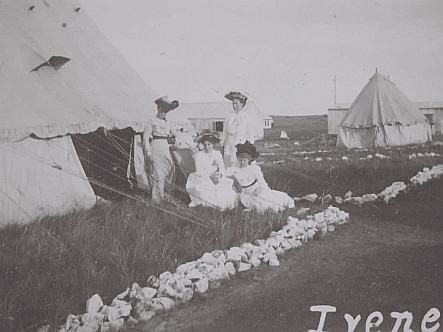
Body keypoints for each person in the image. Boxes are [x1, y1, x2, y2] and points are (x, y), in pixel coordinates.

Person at [226, 141, 295, 213]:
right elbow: (226, 175)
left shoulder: (254, 168)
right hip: (244, 194)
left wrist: (261, 189)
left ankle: (287, 203)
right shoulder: (234, 167)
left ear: (249, 159)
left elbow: (262, 182)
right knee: (256, 202)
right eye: (240, 160)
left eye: (244, 160)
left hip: (256, 190)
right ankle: (277, 209)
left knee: (267, 196)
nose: (242, 162)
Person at [185, 134, 237, 210]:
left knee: (224, 185)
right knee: (207, 185)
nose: (207, 147)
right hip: (202, 177)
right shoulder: (199, 155)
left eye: (209, 144)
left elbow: (222, 168)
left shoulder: (217, 154)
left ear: (213, 144)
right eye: (205, 145)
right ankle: (209, 205)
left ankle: (223, 204)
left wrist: (219, 175)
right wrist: (210, 176)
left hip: (216, 175)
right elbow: (199, 171)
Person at [143, 96, 179, 204]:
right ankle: (157, 199)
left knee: (168, 170)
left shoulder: (168, 122)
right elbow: (146, 137)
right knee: (157, 172)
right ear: (157, 109)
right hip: (156, 146)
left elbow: (175, 133)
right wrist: (148, 152)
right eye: (162, 110)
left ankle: (166, 195)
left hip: (165, 147)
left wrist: (176, 141)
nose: (163, 113)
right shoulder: (152, 121)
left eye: (165, 112)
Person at [220, 91, 255, 167]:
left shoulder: (247, 117)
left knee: (239, 163)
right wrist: (222, 144)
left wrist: (249, 146)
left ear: (242, 104)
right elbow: (225, 132)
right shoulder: (229, 116)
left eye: (236, 104)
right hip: (229, 143)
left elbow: (250, 133)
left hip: (241, 143)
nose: (235, 106)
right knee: (228, 164)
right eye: (233, 104)